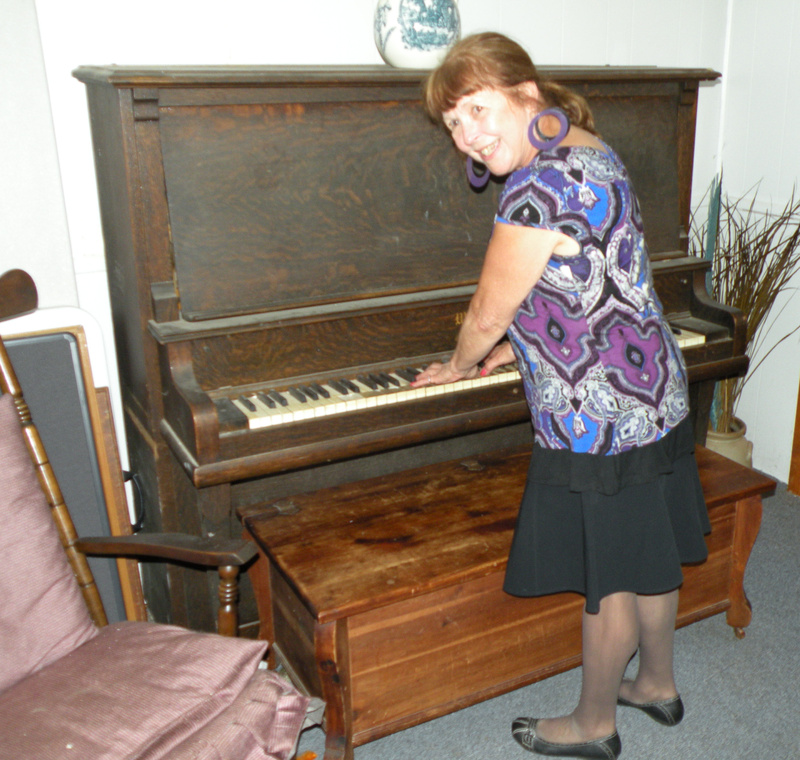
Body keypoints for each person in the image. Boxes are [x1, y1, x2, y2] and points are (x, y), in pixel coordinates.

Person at [411, 32, 711, 760]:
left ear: (526, 94)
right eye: (454, 125)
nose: (469, 138)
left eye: (478, 112)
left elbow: (487, 311)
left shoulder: (536, 187)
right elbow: (586, 282)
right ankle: (657, 685)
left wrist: (460, 363)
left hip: (599, 411)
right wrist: (522, 344)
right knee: (648, 550)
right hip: (654, 388)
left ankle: (593, 723)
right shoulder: (588, 149)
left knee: (607, 578)